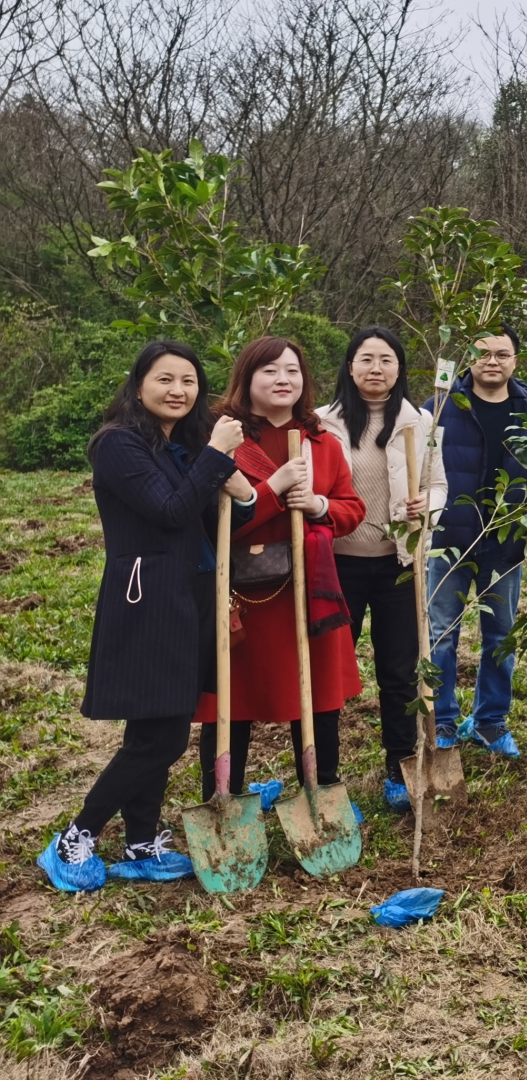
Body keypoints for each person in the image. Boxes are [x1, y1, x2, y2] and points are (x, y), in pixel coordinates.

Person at [38, 342, 257, 891]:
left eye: (189, 381)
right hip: (148, 599)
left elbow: (208, 511)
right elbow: (168, 510)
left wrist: (234, 479)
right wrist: (216, 453)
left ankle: (141, 842)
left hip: (190, 596)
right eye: (165, 379)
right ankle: (76, 835)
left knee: (157, 724)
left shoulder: (171, 447)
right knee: (160, 739)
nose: (178, 390)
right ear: (139, 386)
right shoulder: (117, 445)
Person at [196, 337, 367, 808]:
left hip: (309, 591)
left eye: (292, 371)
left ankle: (322, 789)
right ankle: (222, 797)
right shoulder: (222, 438)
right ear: (247, 378)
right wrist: (274, 490)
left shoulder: (322, 442)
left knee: (318, 694)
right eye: (270, 371)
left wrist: (317, 505)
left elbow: (352, 508)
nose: (282, 380)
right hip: (244, 595)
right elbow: (210, 519)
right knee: (232, 700)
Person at [318, 328, 445, 811]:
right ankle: (326, 779)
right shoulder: (320, 424)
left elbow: (439, 485)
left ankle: (399, 769)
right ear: (349, 366)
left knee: (398, 673)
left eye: (386, 360)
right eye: (366, 359)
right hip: (336, 566)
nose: (376, 368)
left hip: (399, 565)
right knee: (329, 673)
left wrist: (425, 505)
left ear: (399, 368)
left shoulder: (420, 423)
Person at [426, 327, 527, 758]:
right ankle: (441, 720)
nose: (492, 361)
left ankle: (490, 722)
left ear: (515, 360)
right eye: (483, 353)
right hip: (450, 542)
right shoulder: (443, 406)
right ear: (469, 359)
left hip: (505, 546)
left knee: (500, 636)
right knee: (441, 634)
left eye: (502, 353)